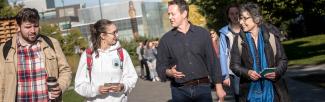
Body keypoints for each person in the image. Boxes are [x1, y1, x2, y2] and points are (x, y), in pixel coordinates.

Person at [156, 0, 226, 101]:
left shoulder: (203, 34)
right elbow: (160, 67)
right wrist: (169, 72)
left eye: (173, 14)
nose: (170, 17)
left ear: (184, 14)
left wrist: (219, 88)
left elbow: (213, 62)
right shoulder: (165, 40)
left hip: (203, 89)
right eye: (169, 14)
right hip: (179, 92)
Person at [0, 8, 72, 101]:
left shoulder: (52, 43)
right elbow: (1, 83)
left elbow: (65, 70)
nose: (33, 30)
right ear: (18, 26)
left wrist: (60, 87)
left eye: (36, 26)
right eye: (28, 27)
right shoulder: (5, 49)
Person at [230, 2, 290, 102]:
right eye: (241, 18)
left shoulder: (271, 36)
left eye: (245, 18)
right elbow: (234, 65)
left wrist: (277, 72)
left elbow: (283, 60)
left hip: (274, 92)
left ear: (256, 18)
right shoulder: (239, 40)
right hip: (249, 93)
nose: (241, 22)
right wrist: (247, 72)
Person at [74, 19, 138, 102]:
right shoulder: (88, 55)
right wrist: (96, 90)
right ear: (103, 35)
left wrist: (123, 86)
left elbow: (132, 77)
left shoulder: (122, 53)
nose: (117, 35)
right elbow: (79, 85)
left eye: (117, 32)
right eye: (113, 33)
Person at [218, 4, 241, 102]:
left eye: (237, 13)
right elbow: (223, 54)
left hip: (250, 67)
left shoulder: (246, 28)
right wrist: (225, 75)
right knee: (238, 94)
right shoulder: (224, 32)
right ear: (228, 16)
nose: (235, 16)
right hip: (234, 70)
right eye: (231, 14)